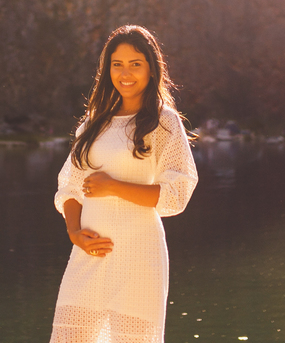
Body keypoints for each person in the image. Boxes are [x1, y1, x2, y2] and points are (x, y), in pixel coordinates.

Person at [49, 25, 199, 343]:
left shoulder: (164, 121)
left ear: (151, 68)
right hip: (88, 255)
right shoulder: (93, 123)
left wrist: (113, 186)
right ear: (107, 70)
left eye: (135, 64)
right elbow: (70, 186)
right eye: (117, 64)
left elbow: (178, 191)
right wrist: (74, 233)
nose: (125, 73)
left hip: (138, 255)